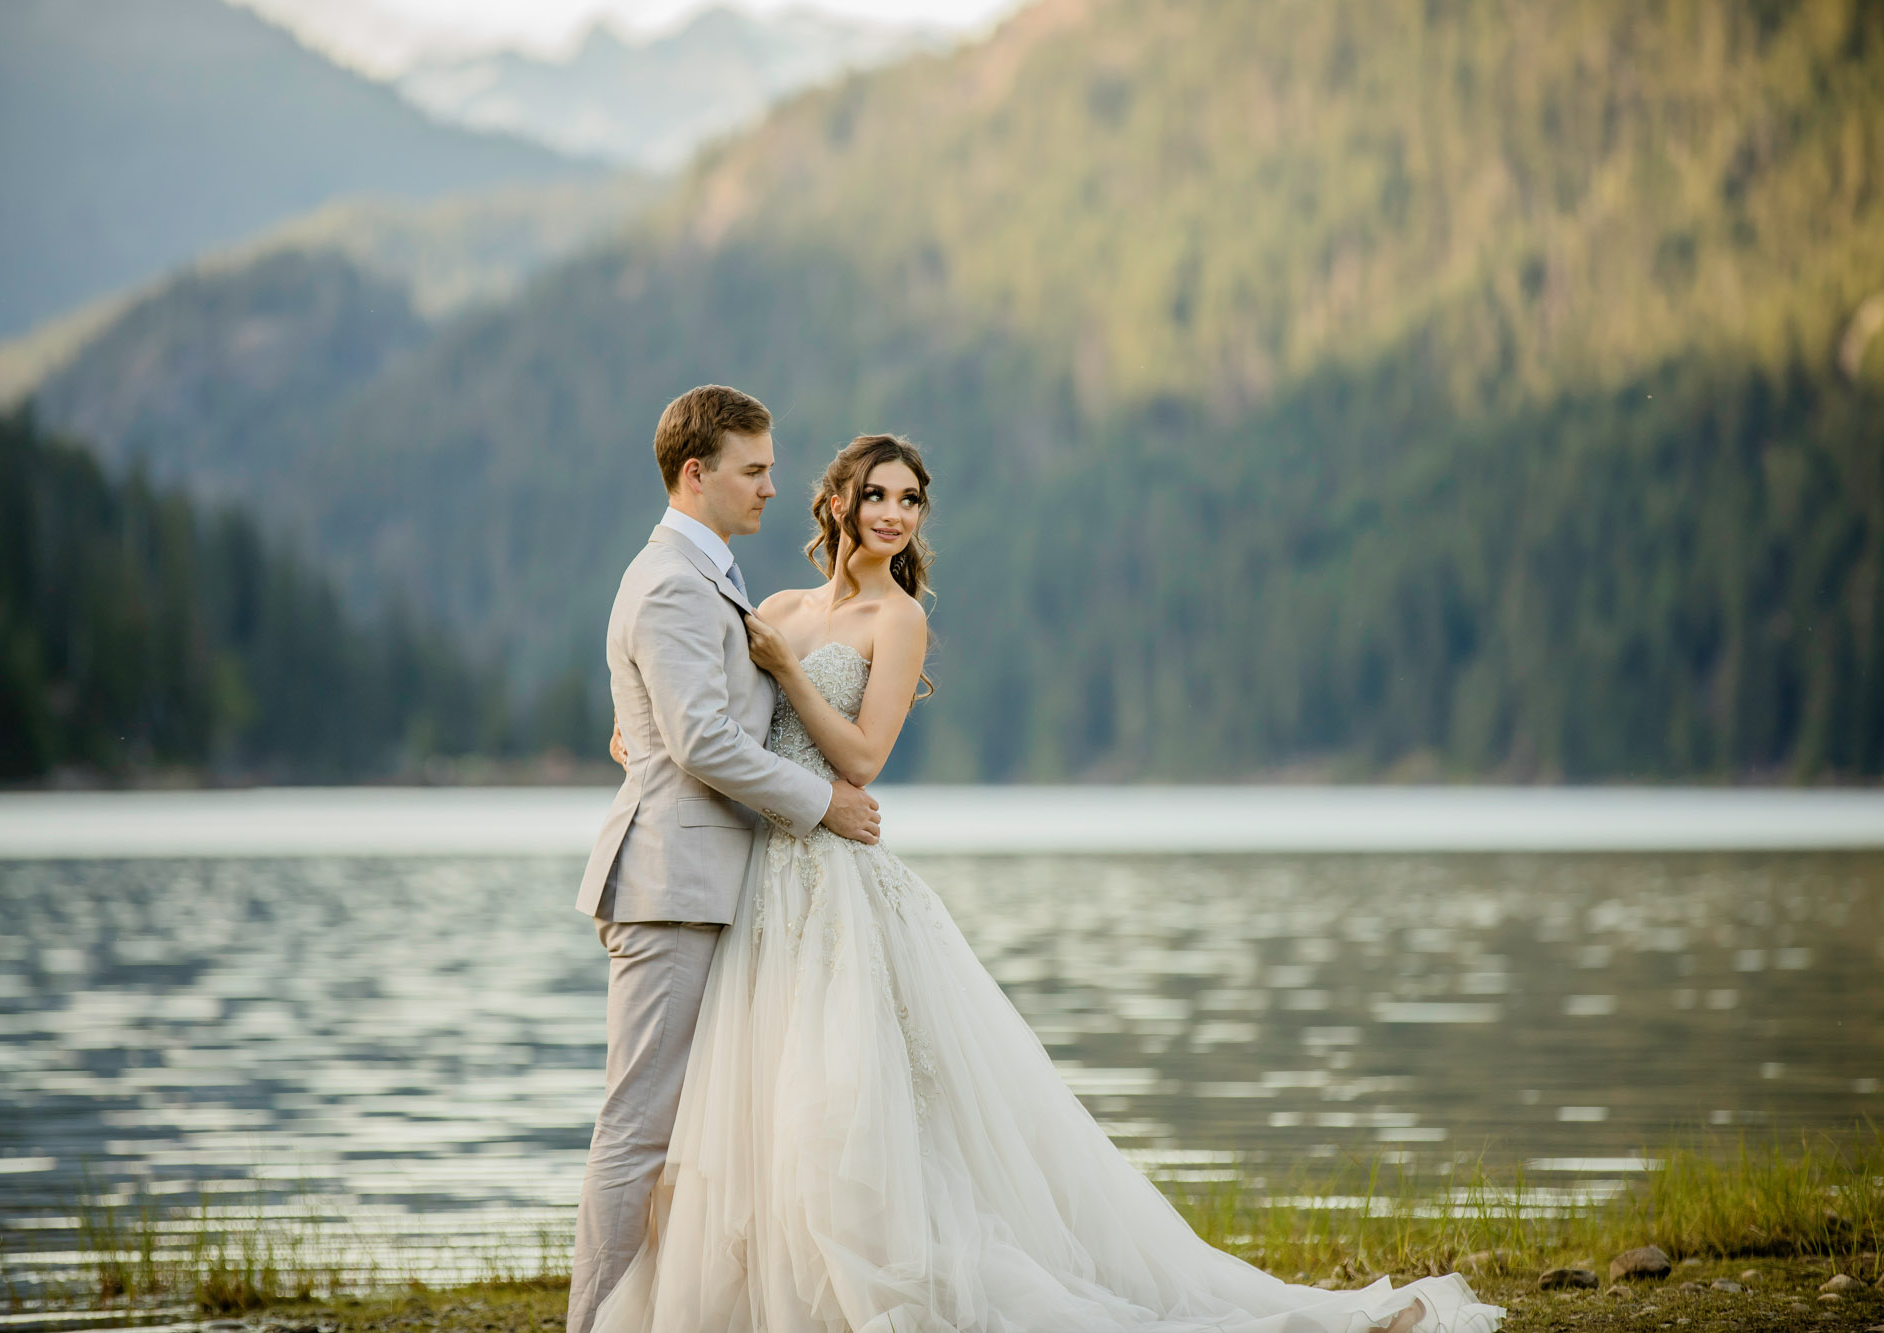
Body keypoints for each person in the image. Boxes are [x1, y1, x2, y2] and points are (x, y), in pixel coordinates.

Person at [589, 433, 1506, 1332]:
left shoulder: (896, 621)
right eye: (878, 495)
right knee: (766, 1112)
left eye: (910, 500)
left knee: (851, 1106)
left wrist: (789, 674)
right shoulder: (778, 603)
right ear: (835, 502)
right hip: (757, 883)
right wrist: (646, 744)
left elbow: (861, 759)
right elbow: (713, 724)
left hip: (836, 881)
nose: (895, 514)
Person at [568, 386, 883, 1333]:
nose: (771, 489)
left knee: (691, 1132)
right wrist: (823, 800)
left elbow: (677, 724)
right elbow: (701, 741)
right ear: (695, 473)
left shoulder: (708, 572)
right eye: (754, 471)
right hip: (671, 885)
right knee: (639, 1129)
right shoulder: (669, 577)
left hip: (710, 880)